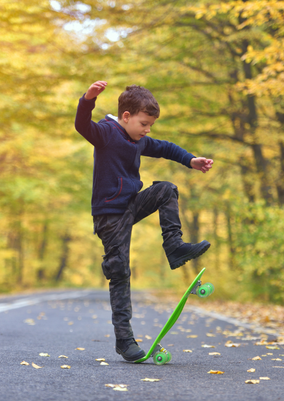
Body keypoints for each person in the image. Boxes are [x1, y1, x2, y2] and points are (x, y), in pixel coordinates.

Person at [74, 81, 213, 361]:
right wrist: (87, 99)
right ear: (126, 117)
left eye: (150, 125)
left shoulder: (136, 139)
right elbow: (82, 125)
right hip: (109, 215)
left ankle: (174, 247)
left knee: (166, 189)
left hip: (130, 205)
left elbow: (165, 148)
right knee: (120, 272)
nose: (147, 130)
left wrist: (190, 160)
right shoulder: (106, 134)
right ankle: (124, 340)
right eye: (144, 123)